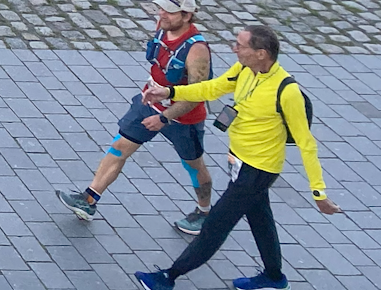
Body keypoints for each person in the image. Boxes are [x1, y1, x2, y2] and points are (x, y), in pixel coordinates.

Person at [131, 23, 342, 290]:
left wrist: (318, 193)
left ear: (262, 53)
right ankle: (274, 278)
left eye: (241, 45)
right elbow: (211, 88)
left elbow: (307, 144)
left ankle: (168, 277)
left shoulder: (286, 90)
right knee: (260, 219)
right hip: (239, 162)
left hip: (258, 170)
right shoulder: (244, 70)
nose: (234, 49)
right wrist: (171, 92)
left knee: (216, 225)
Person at [57, 0, 215, 233]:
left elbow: (197, 95)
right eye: (161, 8)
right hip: (148, 104)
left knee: (194, 165)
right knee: (119, 147)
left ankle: (204, 212)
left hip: (183, 120)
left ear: (187, 16)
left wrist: (164, 118)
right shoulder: (162, 27)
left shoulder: (196, 49)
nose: (162, 14)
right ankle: (89, 200)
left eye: (169, 11)